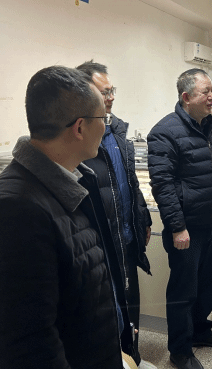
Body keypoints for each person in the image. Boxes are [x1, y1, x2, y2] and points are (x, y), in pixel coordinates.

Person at [0, 66, 127, 368]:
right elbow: (27, 347)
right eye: (103, 119)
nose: (105, 127)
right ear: (79, 128)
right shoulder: (15, 213)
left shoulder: (71, 181)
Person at [147, 68, 212, 370]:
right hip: (187, 229)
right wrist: (177, 227)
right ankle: (180, 350)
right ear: (186, 97)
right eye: (205, 92)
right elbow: (162, 185)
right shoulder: (164, 132)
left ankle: (200, 330)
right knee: (183, 291)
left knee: (208, 284)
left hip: (211, 223)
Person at [76, 60, 155, 369]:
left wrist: (143, 217)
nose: (110, 97)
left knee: (130, 303)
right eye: (103, 92)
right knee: (108, 311)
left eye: (112, 90)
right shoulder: (80, 139)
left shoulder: (117, 131)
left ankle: (133, 356)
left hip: (126, 238)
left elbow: (130, 181)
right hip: (101, 245)